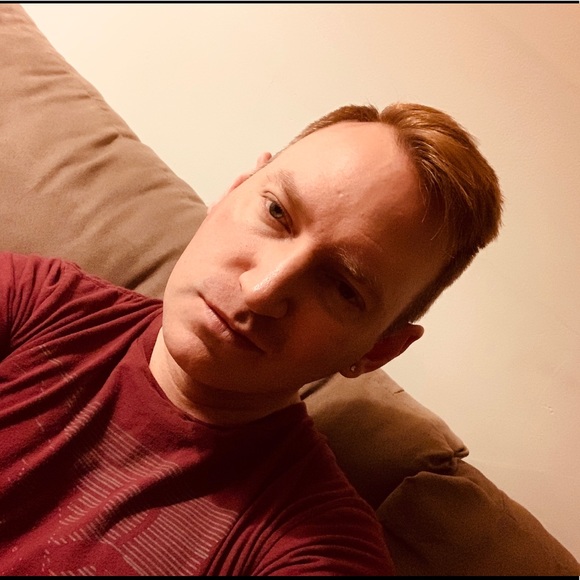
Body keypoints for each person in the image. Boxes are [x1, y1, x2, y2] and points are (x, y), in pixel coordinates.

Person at [0, 102, 502, 575]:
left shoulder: (317, 550)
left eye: (344, 288)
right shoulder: (39, 300)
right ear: (231, 193)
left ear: (376, 350)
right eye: (277, 213)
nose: (261, 291)